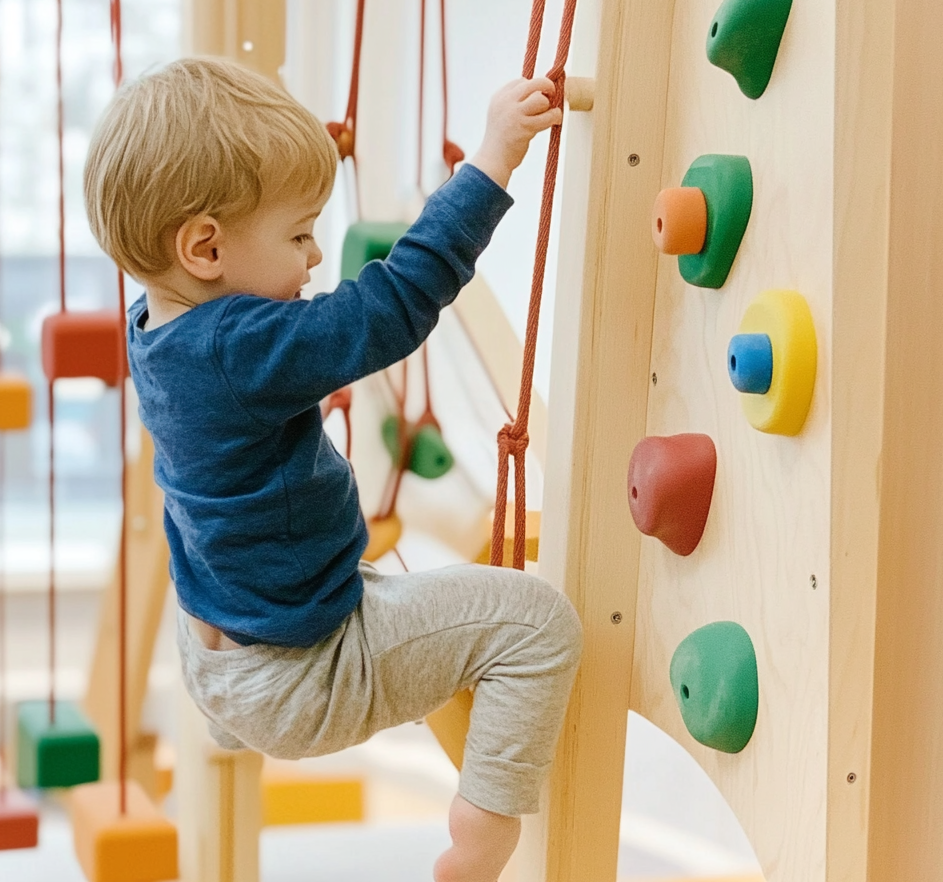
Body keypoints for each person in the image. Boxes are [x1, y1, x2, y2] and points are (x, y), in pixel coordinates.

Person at [84, 56, 581, 882]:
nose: (315, 257)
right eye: (299, 234)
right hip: (303, 674)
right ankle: (485, 828)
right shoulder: (242, 348)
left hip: (217, 652)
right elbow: (389, 307)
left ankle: (236, 712)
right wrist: (491, 160)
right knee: (538, 626)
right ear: (204, 246)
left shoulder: (153, 321)